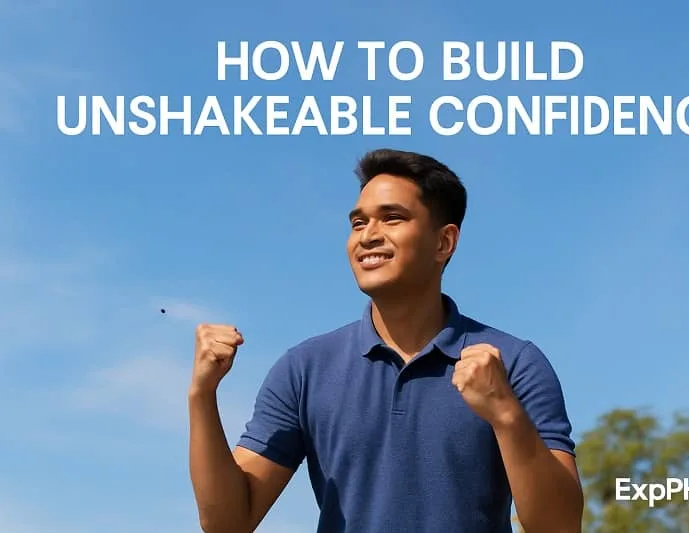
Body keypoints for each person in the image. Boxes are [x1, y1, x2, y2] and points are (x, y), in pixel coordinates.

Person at [188, 148, 583, 533]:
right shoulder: (304, 369)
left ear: (444, 243)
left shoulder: (515, 363)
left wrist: (506, 414)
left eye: (392, 218)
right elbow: (228, 523)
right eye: (358, 223)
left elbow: (560, 526)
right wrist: (202, 396)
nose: (368, 236)